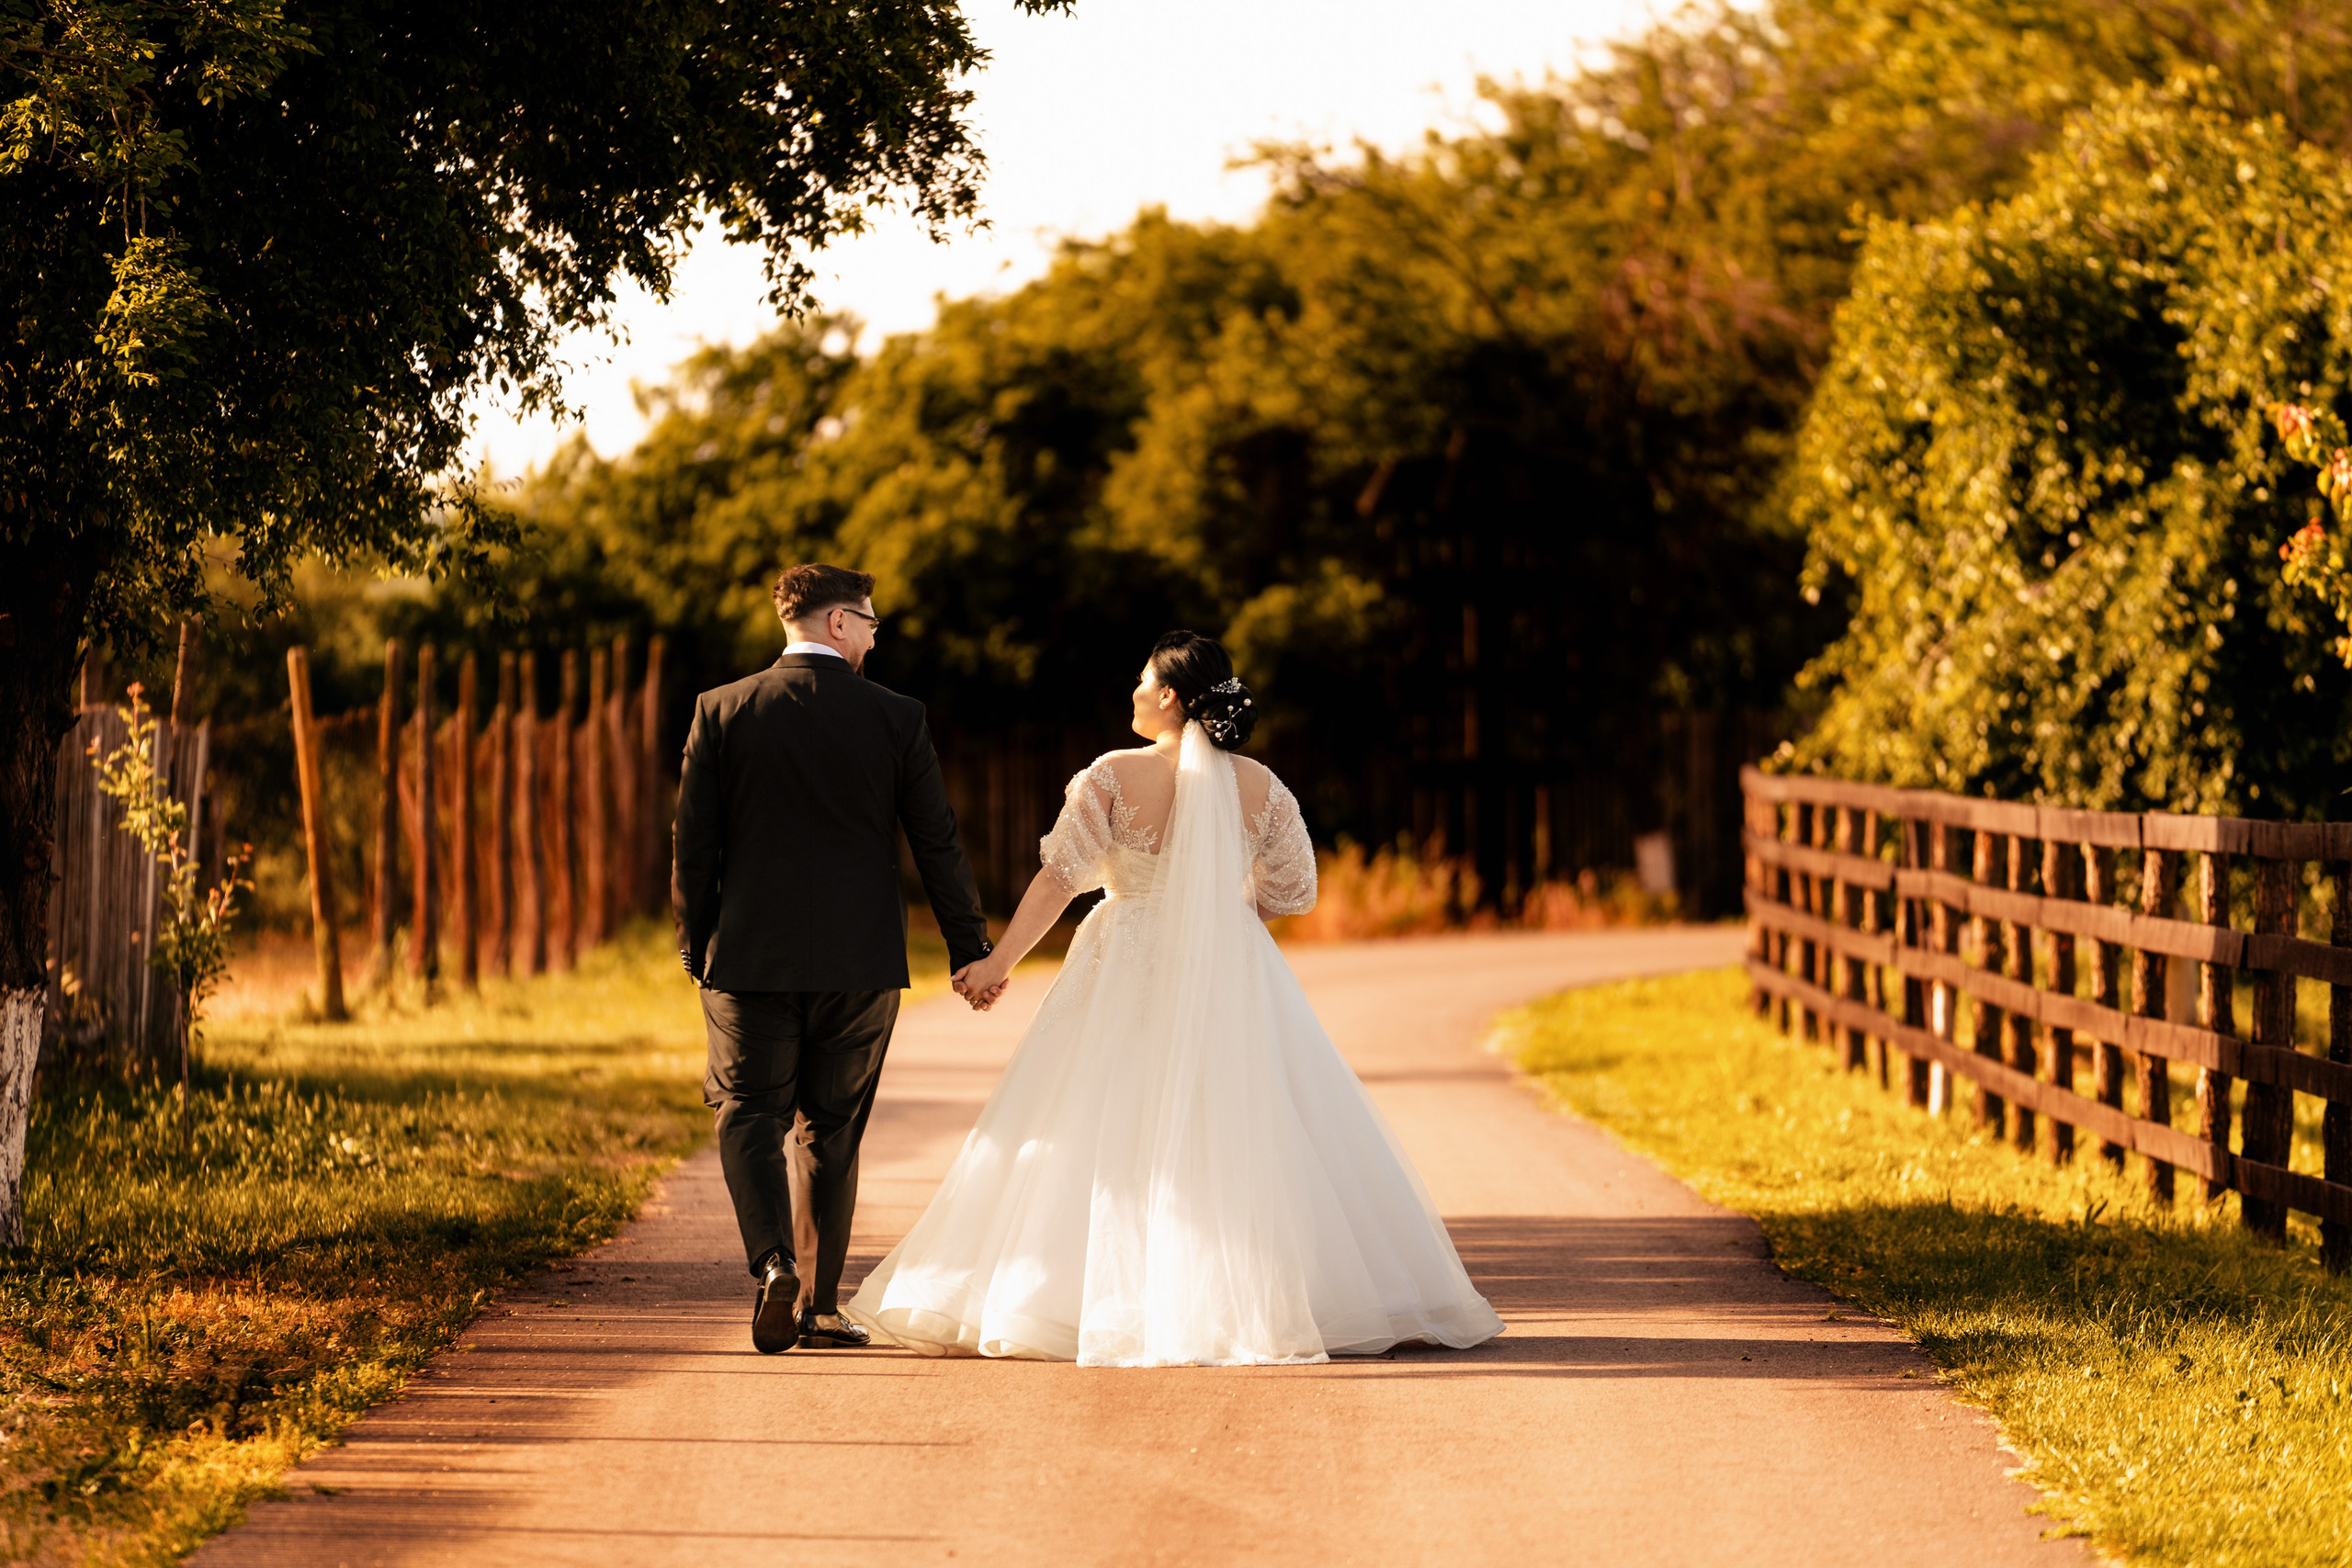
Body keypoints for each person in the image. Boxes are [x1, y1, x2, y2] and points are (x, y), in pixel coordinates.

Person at [842, 631, 1503, 1365]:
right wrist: (1218, 914)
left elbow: (1060, 879)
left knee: (1100, 1114)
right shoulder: (1259, 785)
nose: (1130, 692)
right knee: (1242, 1116)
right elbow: (1297, 888)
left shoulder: (1112, 776)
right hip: (1231, 962)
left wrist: (998, 961)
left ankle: (1083, 1297)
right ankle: (1266, 1299)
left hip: (1124, 957)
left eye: (1141, 680)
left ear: (1169, 697)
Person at [672, 563, 993, 1354]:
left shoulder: (722, 709)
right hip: (861, 960)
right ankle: (818, 1306)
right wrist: (969, 946)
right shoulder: (896, 716)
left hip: (748, 955)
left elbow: (692, 843)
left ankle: (774, 1262)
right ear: (840, 623)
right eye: (873, 623)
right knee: (834, 1128)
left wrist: (696, 940)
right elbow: (936, 840)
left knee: (749, 1111)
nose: (876, 638)